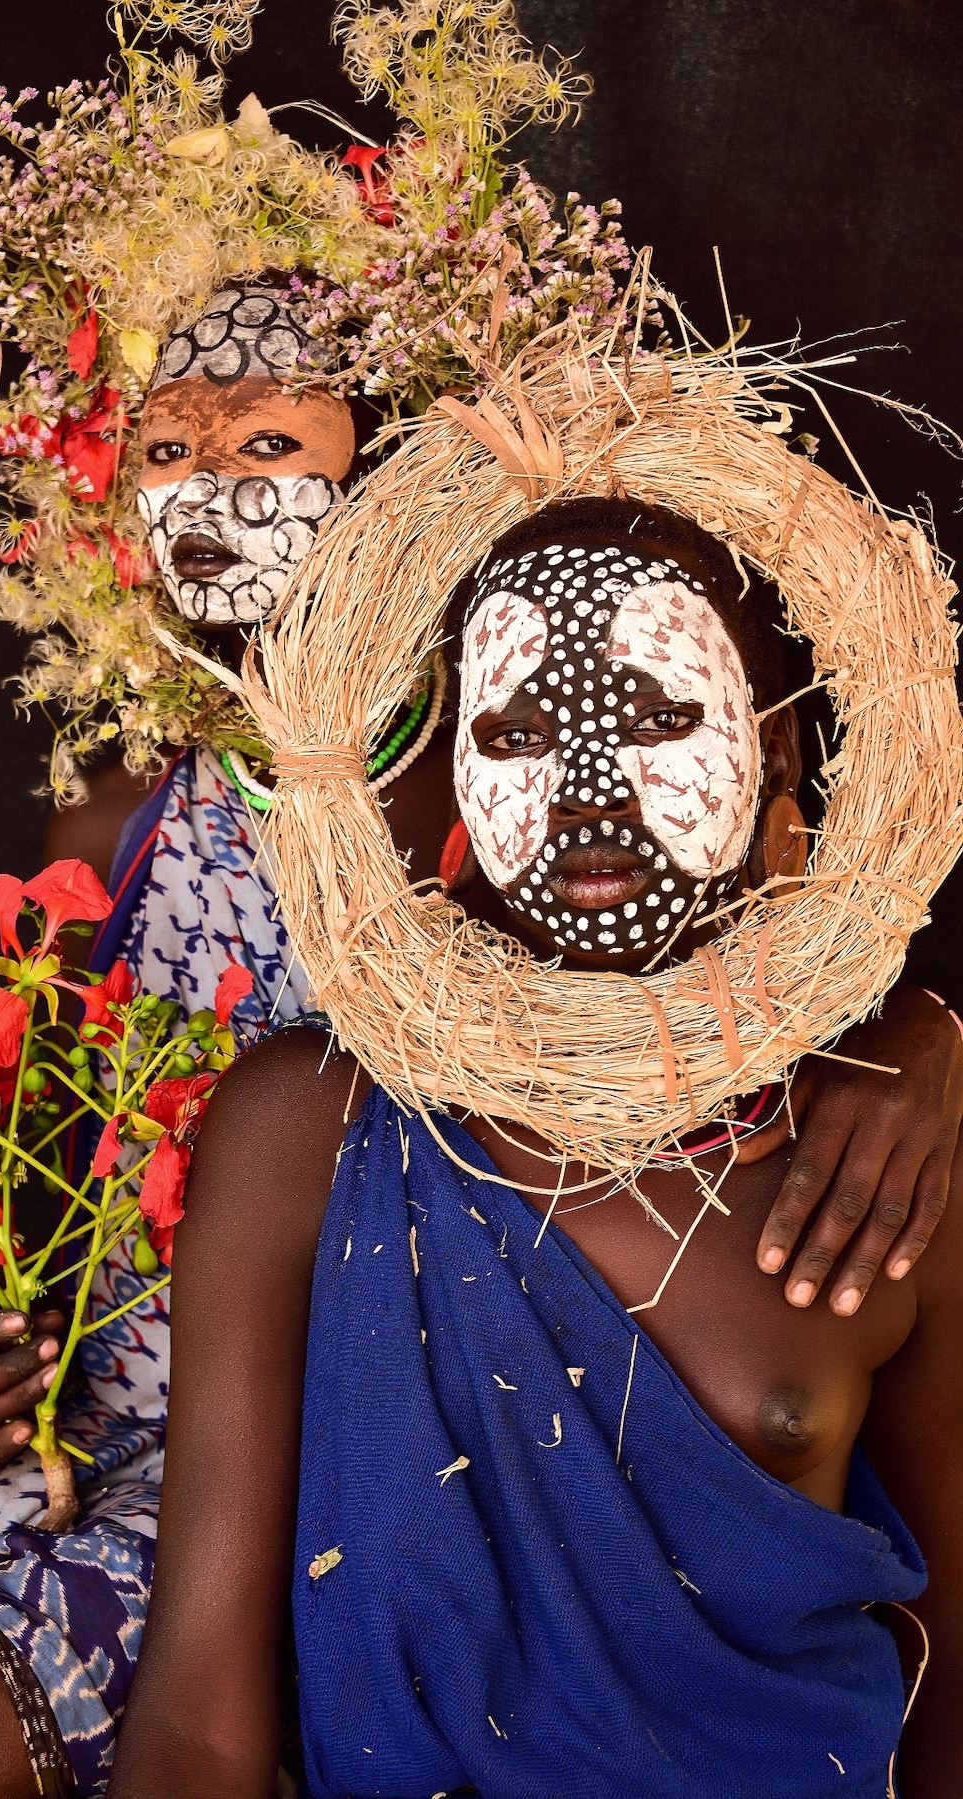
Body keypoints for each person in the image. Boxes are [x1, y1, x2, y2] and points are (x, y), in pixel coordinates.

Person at [104, 499, 963, 1797]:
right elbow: (198, 1723)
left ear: (782, 759)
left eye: (660, 717)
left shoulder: (878, 1155)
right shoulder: (308, 1130)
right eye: (518, 732)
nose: (586, 786)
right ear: (454, 774)